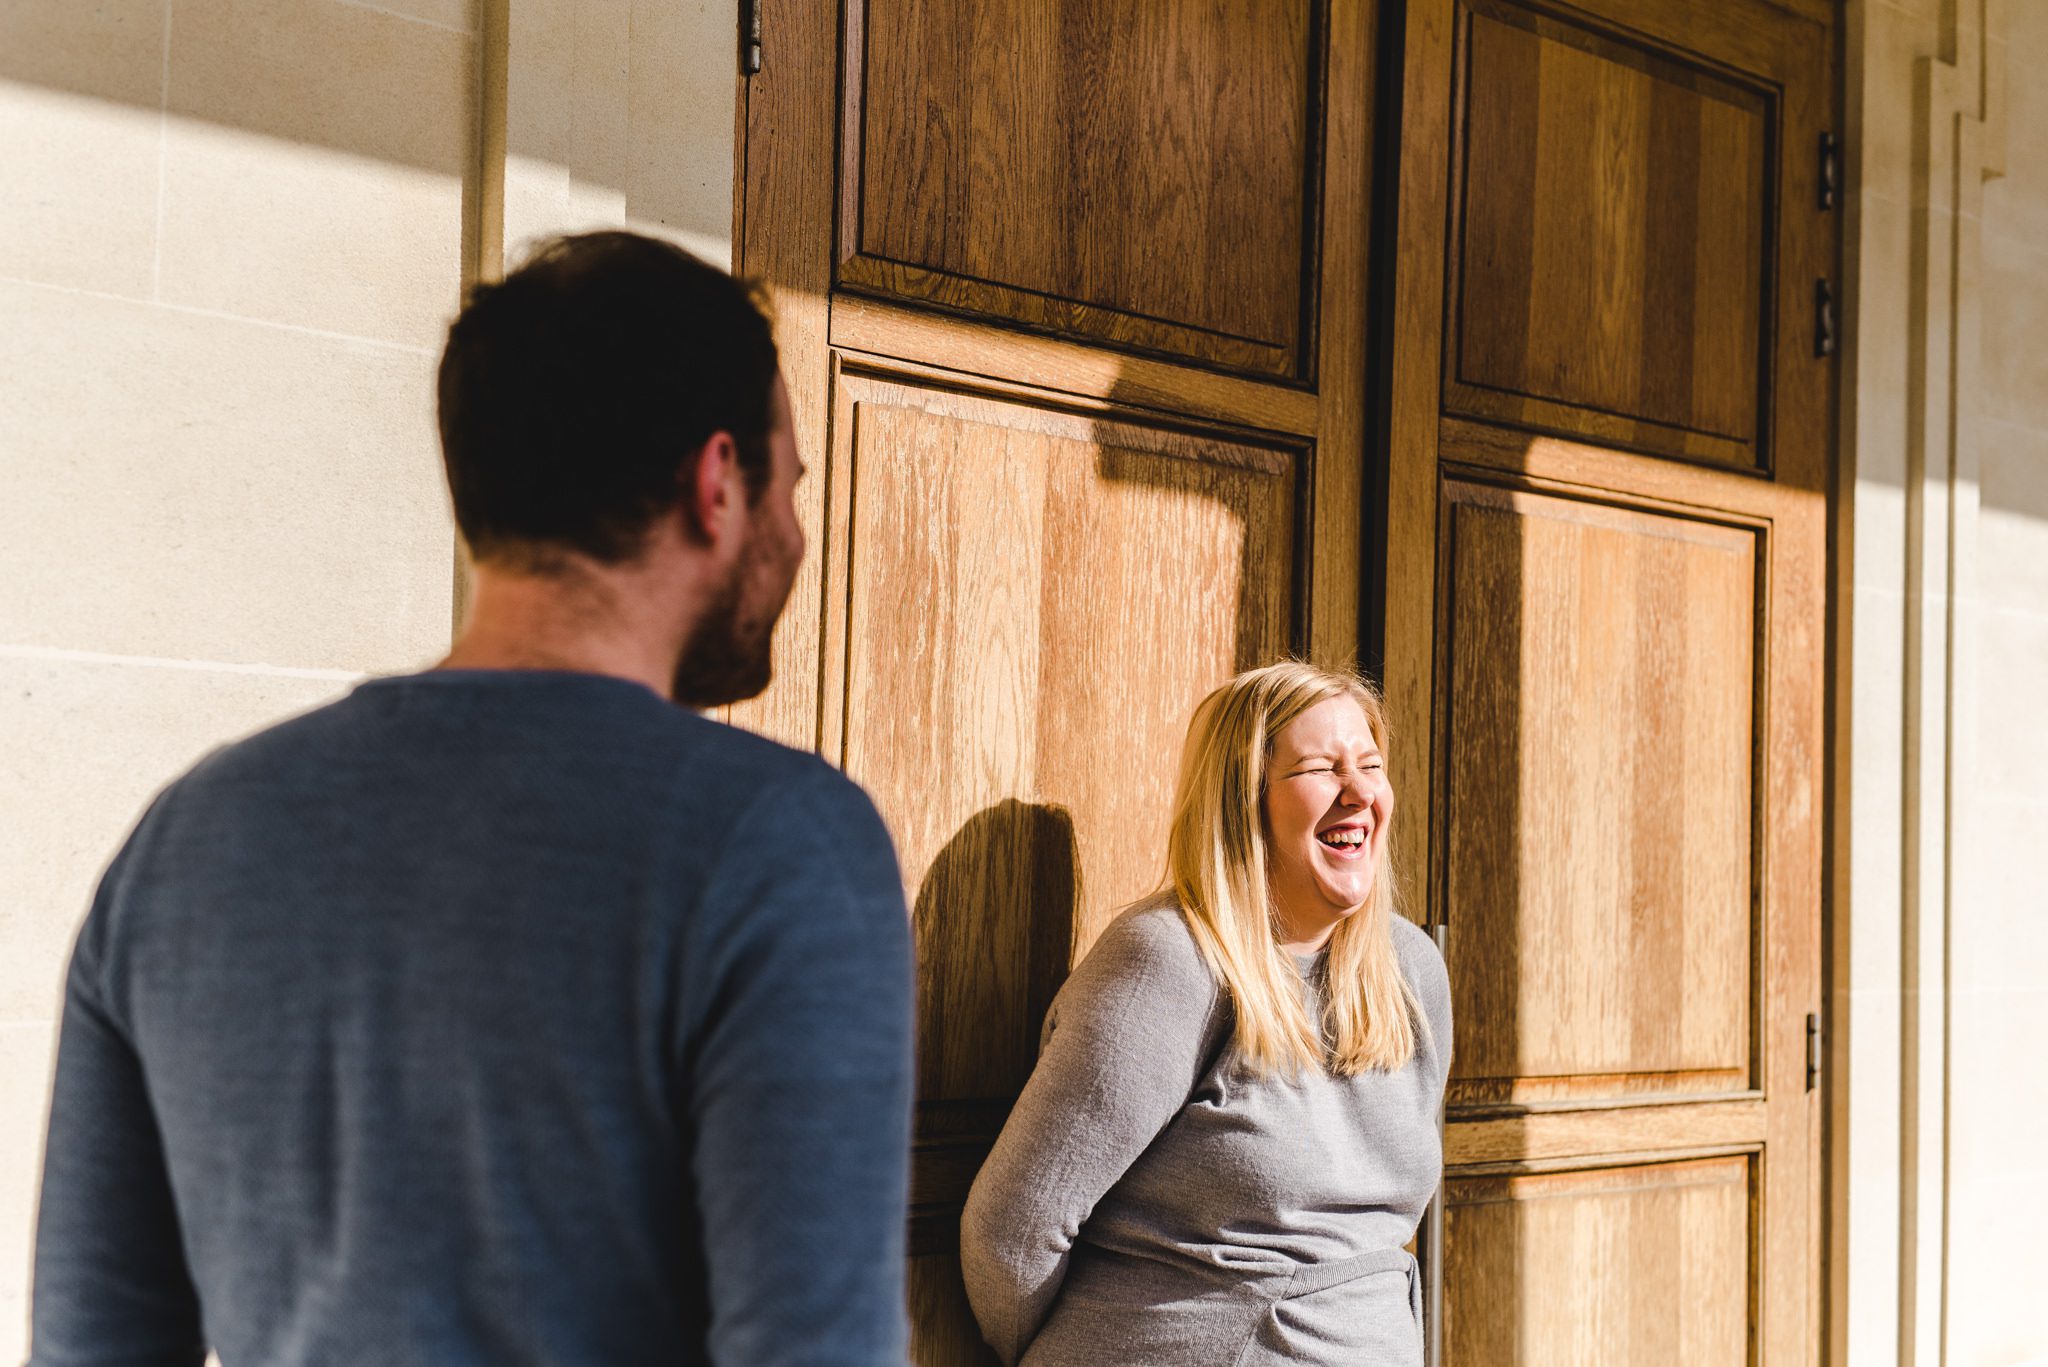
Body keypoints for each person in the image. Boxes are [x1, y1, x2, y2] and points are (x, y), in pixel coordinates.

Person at [30, 232, 915, 1366]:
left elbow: (87, 1339)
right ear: (716, 483)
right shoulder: (782, 842)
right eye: (788, 485)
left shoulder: (187, 838)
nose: (792, 530)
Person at [960, 660, 1452, 1366]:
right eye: (1321, 768)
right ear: (1242, 801)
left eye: (1370, 764)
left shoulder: (1410, 969)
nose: (1359, 792)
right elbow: (1012, 1227)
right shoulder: (1170, 964)